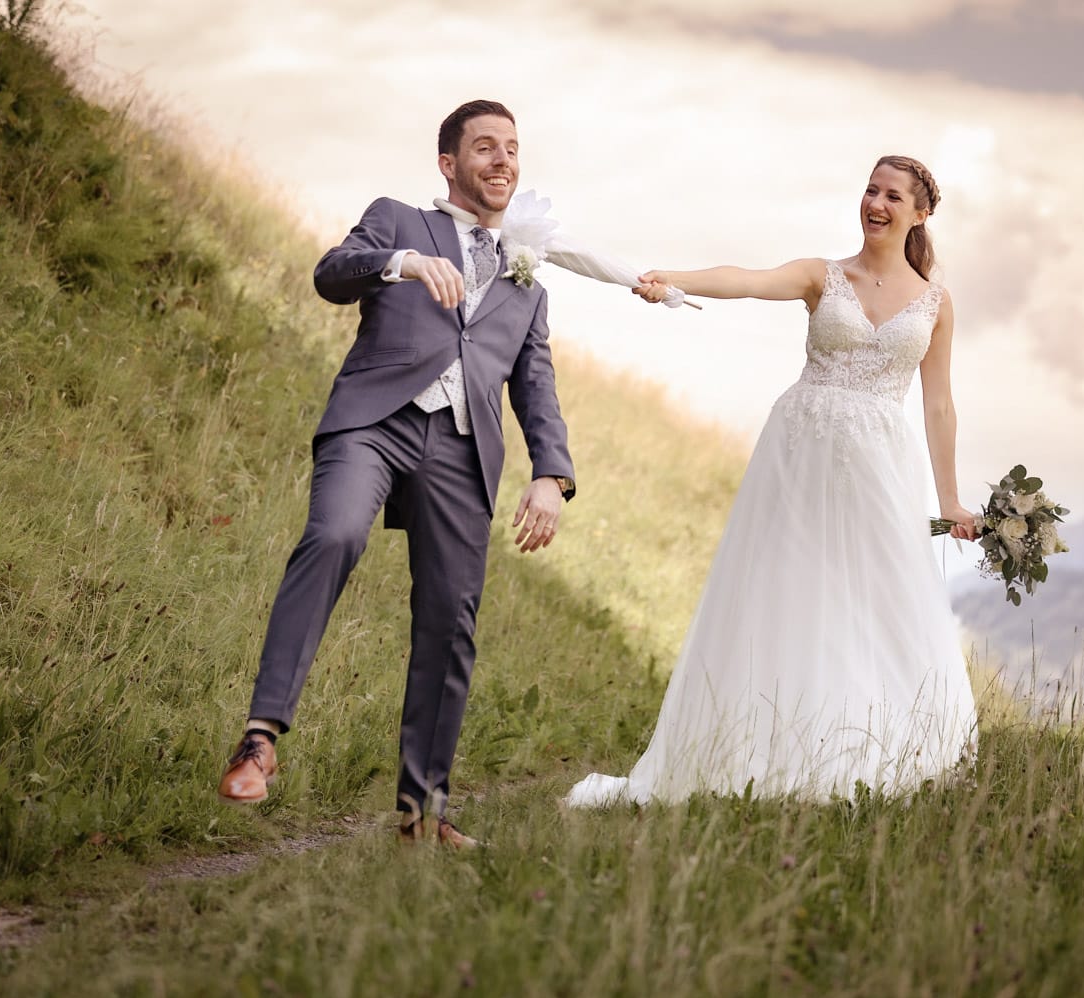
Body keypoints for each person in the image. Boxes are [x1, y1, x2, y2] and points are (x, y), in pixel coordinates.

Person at [566, 155, 978, 807]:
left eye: (892, 196)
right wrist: (670, 277)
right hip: (801, 449)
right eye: (870, 189)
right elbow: (749, 280)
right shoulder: (824, 275)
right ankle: (762, 747)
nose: (875, 202)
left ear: (919, 213)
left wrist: (950, 497)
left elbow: (938, 405)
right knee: (788, 588)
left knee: (872, 597)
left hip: (879, 463)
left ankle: (861, 745)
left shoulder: (936, 304)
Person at [219, 100, 577, 848]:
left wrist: (552, 474)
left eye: (512, 148)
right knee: (336, 533)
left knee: (451, 620)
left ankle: (423, 812)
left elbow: (534, 386)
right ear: (450, 163)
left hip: (460, 450)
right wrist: (401, 263)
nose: (503, 160)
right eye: (485, 147)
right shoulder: (397, 220)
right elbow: (330, 274)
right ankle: (260, 737)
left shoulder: (529, 284)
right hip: (374, 423)